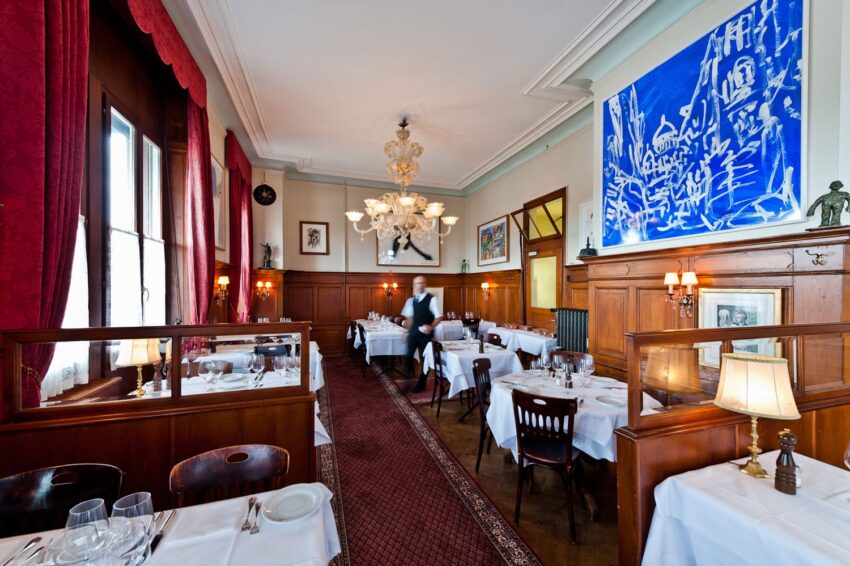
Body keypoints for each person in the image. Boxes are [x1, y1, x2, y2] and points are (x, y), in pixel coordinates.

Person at [401, 276, 443, 392]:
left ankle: (422, 383)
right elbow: (410, 318)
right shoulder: (411, 300)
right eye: (417, 283)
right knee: (408, 356)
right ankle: (407, 382)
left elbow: (438, 317)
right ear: (414, 286)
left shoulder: (432, 299)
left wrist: (431, 326)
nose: (419, 285)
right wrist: (406, 330)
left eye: (421, 283)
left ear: (425, 284)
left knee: (425, 359)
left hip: (425, 334)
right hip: (413, 333)